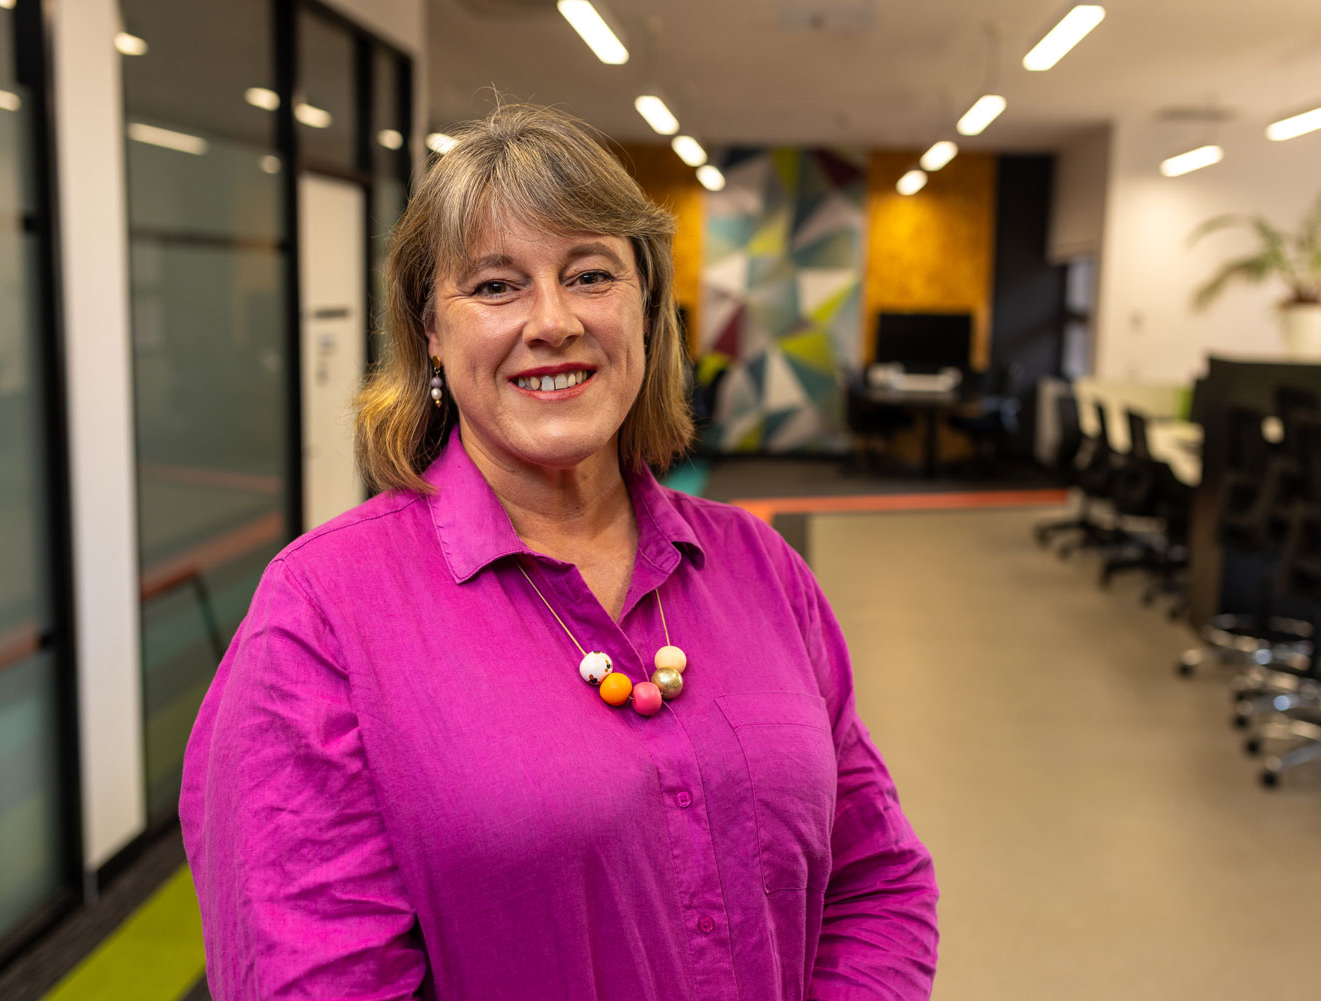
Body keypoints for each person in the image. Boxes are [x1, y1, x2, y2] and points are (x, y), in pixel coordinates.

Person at [180, 103, 938, 1000]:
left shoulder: (760, 569)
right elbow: (313, 975)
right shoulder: (323, 612)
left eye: (590, 275)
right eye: (496, 286)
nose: (553, 321)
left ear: (645, 309)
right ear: (431, 331)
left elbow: (877, 877)